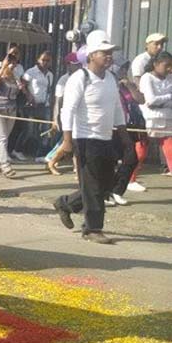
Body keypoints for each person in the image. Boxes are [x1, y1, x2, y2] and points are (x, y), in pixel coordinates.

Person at [53, 31, 129, 244]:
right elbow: (67, 110)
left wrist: (124, 136)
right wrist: (67, 141)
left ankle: (66, 203)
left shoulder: (110, 79)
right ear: (92, 55)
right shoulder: (80, 78)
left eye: (110, 52)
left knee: (106, 185)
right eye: (104, 52)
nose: (108, 56)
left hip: (106, 138)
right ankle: (92, 228)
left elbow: (116, 108)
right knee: (94, 185)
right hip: (85, 139)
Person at [106, 58, 144, 206]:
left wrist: (130, 86)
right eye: (122, 69)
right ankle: (105, 193)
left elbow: (141, 100)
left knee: (132, 159)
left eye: (125, 69)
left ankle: (117, 190)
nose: (124, 72)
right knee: (110, 162)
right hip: (112, 127)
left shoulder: (127, 85)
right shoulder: (108, 85)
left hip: (127, 126)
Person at [0, 45, 24, 177]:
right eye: (11, 53)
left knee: (3, 137)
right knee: (2, 137)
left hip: (11, 109)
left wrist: (19, 81)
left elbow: (20, 89)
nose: (14, 56)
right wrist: (4, 67)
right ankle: (5, 166)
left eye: (16, 54)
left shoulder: (18, 71)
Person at [135, 51, 172, 180]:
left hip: (167, 117)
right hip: (149, 118)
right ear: (156, 64)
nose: (169, 69)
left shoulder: (170, 78)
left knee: (169, 147)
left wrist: (162, 102)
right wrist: (168, 97)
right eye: (166, 65)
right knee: (142, 148)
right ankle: (130, 179)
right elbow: (150, 100)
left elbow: (157, 101)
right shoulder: (147, 77)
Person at [46, 53, 82, 175]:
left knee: (75, 143)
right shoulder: (63, 80)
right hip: (66, 115)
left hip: (79, 115)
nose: (78, 67)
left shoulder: (82, 78)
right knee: (70, 142)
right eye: (75, 65)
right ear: (68, 65)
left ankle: (77, 169)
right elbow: (58, 101)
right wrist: (56, 119)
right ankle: (52, 161)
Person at [18, 51, 54, 160]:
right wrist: (29, 96)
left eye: (48, 61)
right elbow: (22, 85)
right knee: (29, 130)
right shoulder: (31, 72)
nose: (45, 63)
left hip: (44, 105)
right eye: (43, 60)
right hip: (31, 105)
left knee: (45, 131)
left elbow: (49, 90)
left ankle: (40, 154)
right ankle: (17, 149)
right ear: (38, 60)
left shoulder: (50, 75)